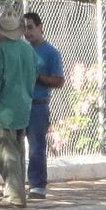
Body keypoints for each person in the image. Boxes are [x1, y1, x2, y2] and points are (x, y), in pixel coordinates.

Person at [0, 8, 38, 208]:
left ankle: (14, 195)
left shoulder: (0, 51)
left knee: (6, 153)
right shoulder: (28, 50)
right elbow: (33, 75)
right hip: (23, 106)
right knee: (19, 151)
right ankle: (17, 192)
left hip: (4, 110)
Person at [23, 12, 65, 199]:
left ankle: (37, 186)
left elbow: (59, 81)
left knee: (36, 147)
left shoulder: (51, 53)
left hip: (38, 106)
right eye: (24, 29)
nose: (27, 32)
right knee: (13, 147)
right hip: (18, 104)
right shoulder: (22, 51)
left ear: (40, 27)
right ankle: (14, 185)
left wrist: (38, 77)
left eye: (30, 27)